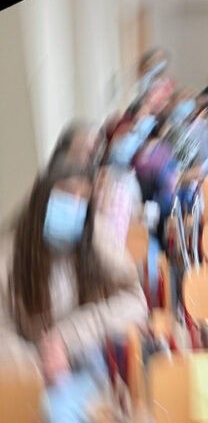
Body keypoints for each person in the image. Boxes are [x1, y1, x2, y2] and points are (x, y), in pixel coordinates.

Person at [0, 164, 147, 421]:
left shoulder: (93, 236)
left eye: (83, 199)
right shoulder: (8, 255)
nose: (74, 206)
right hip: (25, 370)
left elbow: (135, 300)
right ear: (42, 197)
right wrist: (39, 362)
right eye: (67, 194)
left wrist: (67, 337)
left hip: (85, 358)